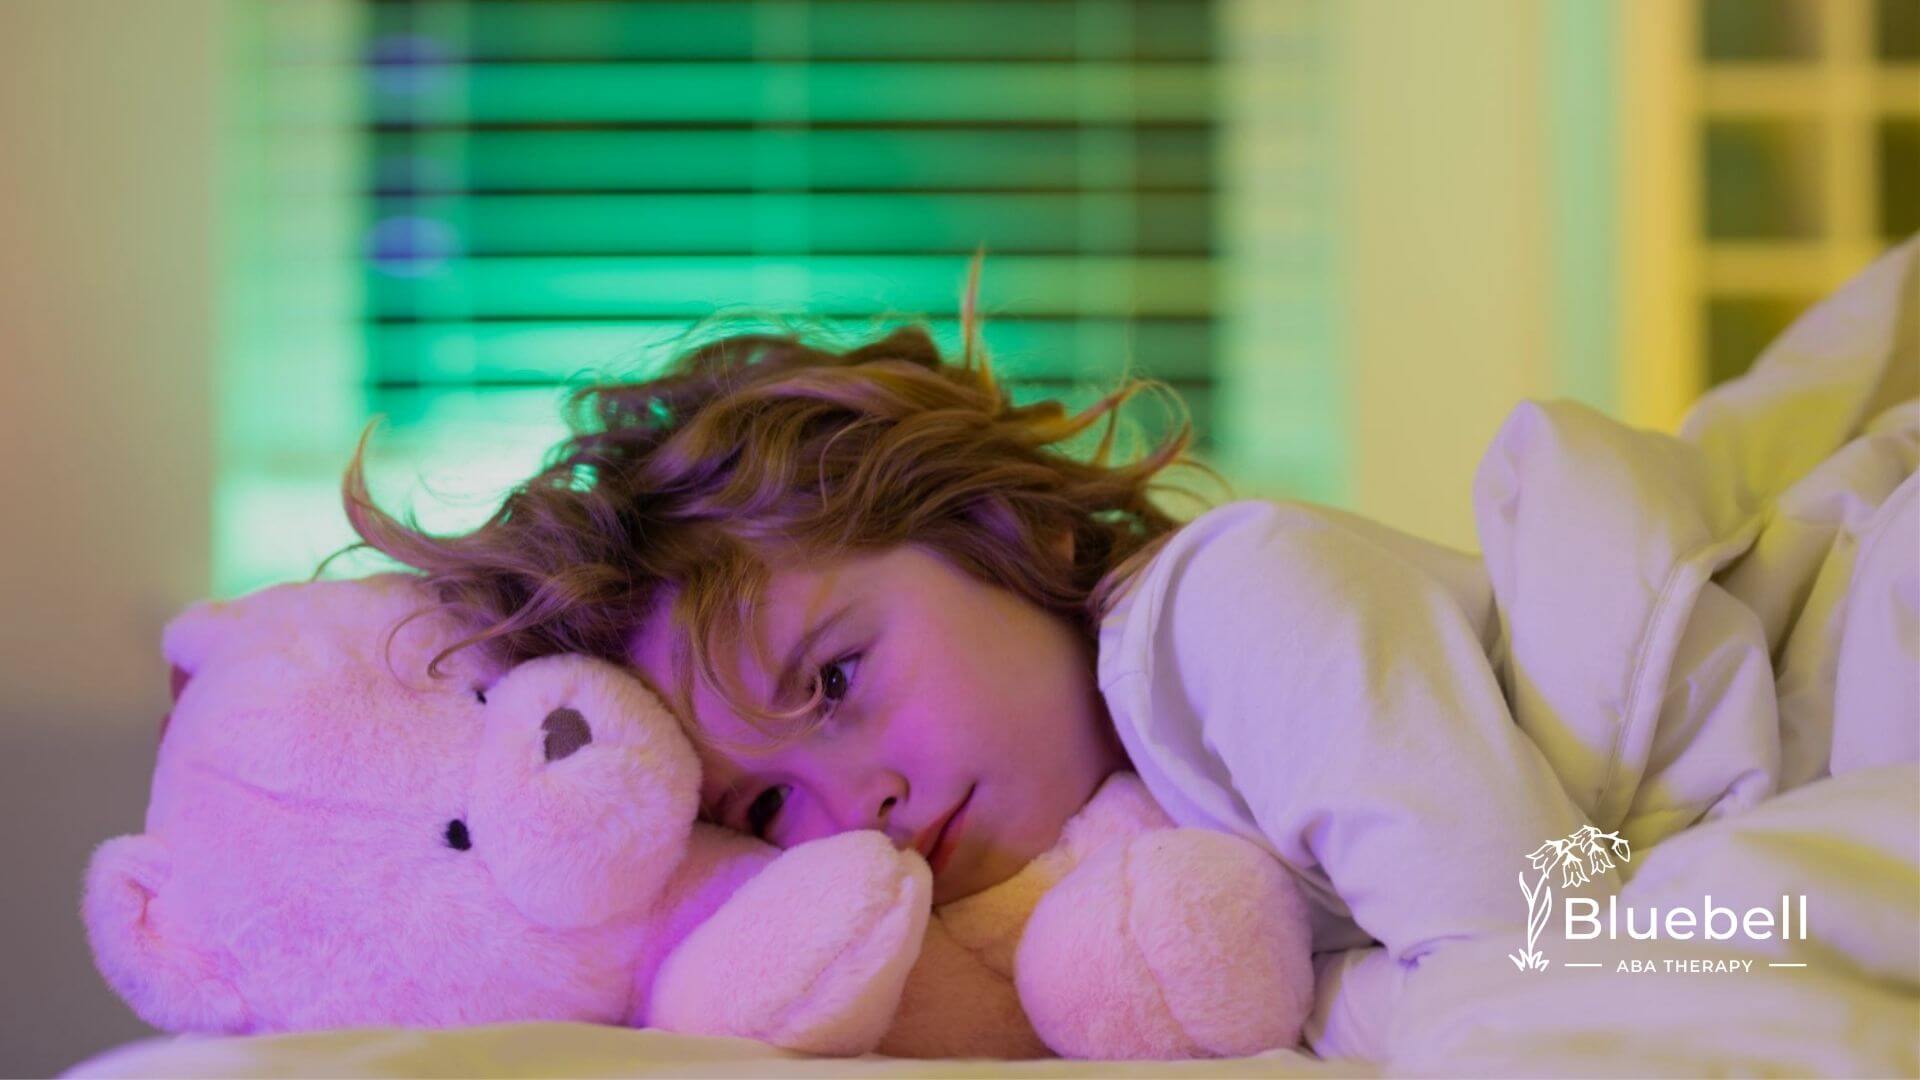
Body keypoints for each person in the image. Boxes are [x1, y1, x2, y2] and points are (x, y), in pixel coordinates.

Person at [331, 285, 1590, 982]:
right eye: (765, 810)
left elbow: (1540, 952)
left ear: (1003, 527)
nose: (853, 808)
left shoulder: (1229, 610)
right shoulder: (1093, 897)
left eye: (833, 679)